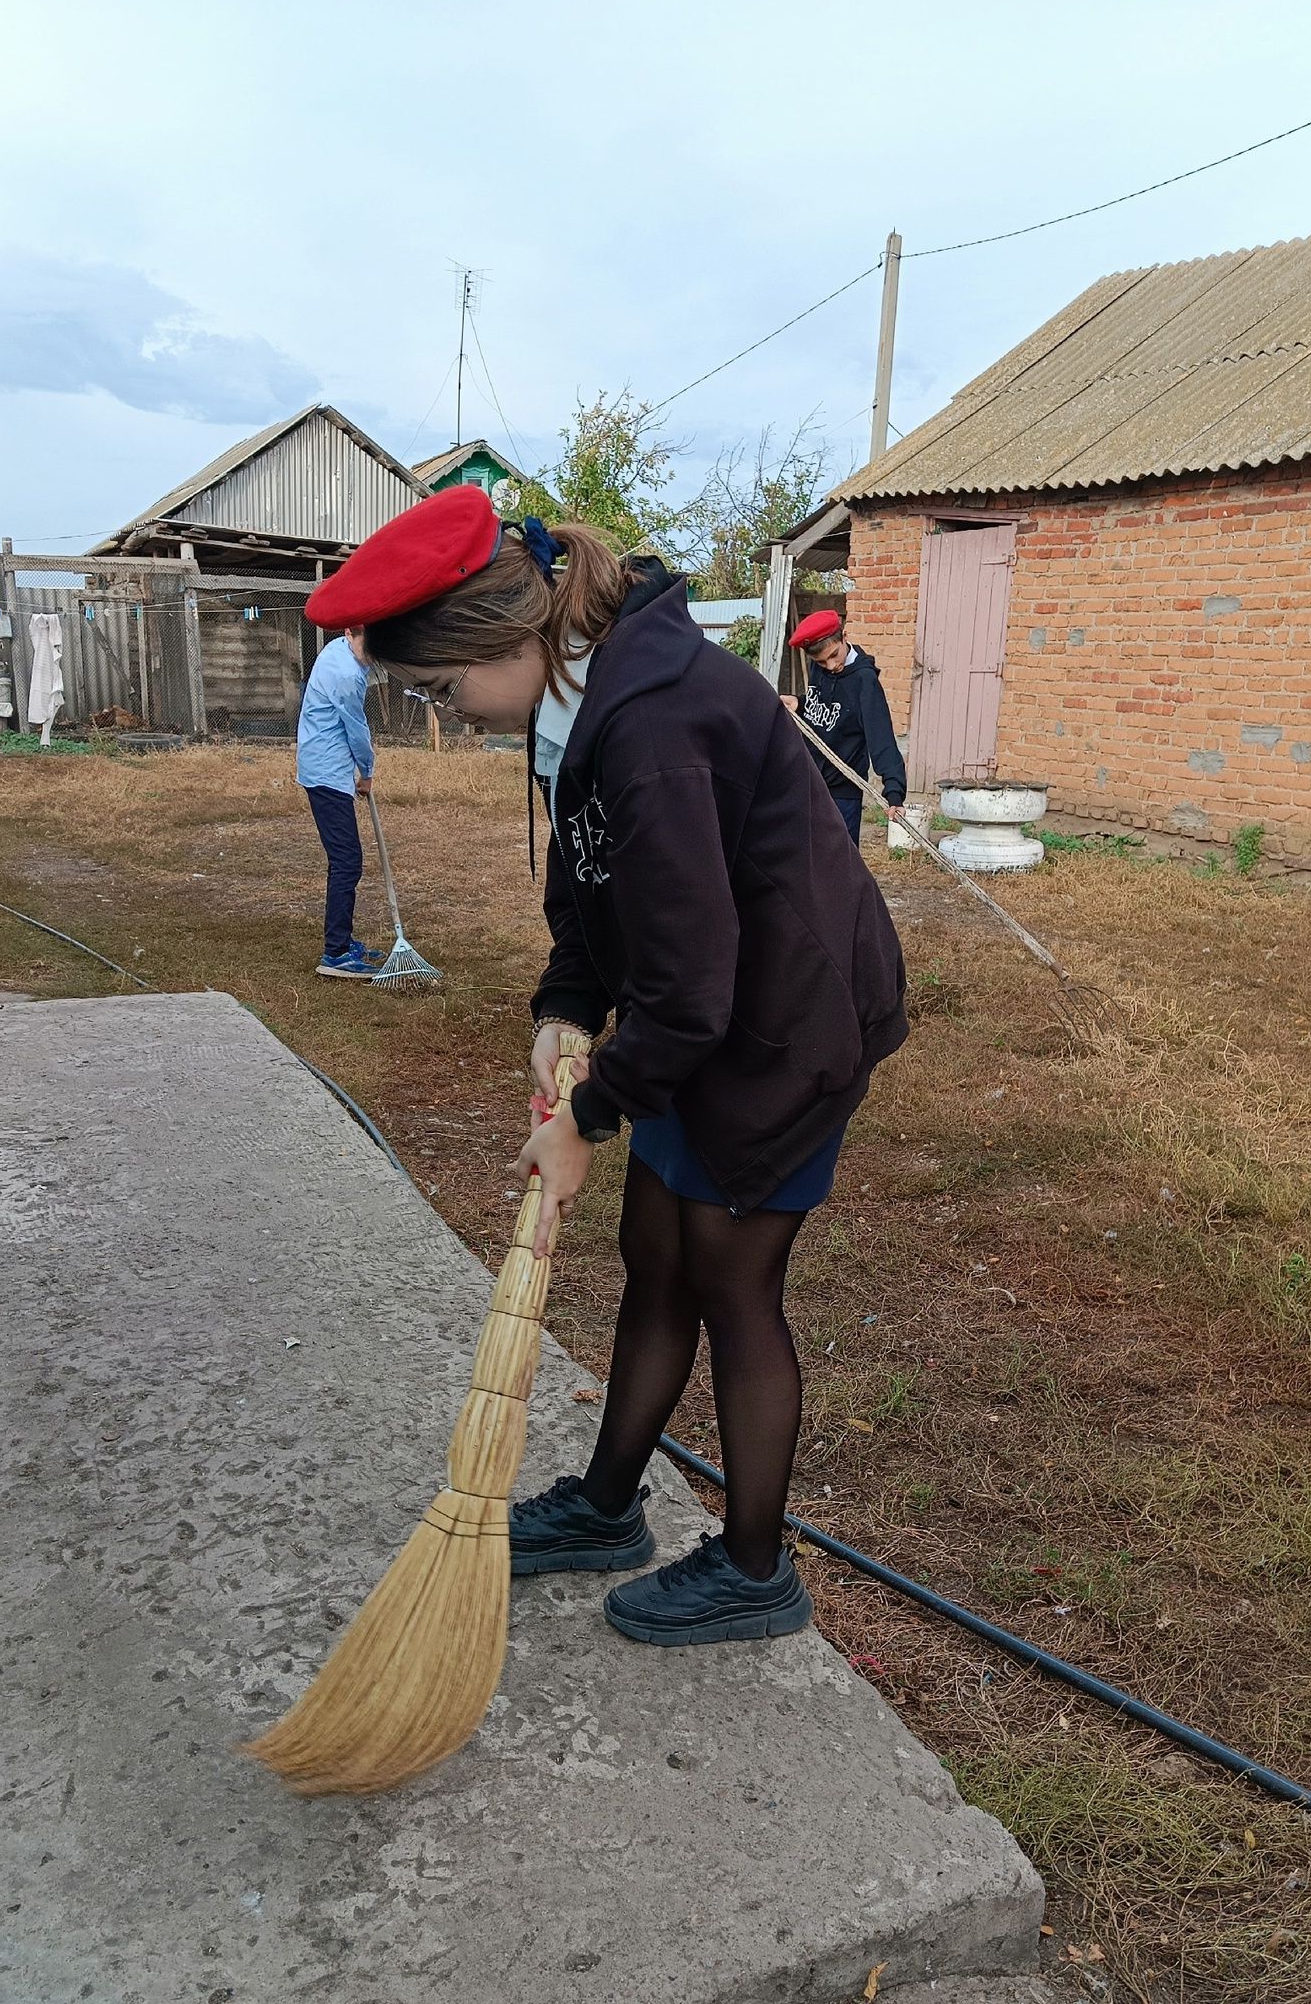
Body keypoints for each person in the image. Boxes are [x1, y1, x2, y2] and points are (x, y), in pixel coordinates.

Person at [305, 487, 908, 1647]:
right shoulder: (582, 696)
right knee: (656, 1258)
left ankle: (751, 1569)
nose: (453, 715)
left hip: (785, 1030)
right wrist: (567, 1001)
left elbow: (693, 989)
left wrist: (588, 1113)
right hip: (709, 1022)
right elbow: (587, 885)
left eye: (444, 689)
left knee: (732, 1283)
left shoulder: (651, 723)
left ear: (505, 639)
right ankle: (605, 1506)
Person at [296, 624, 381, 978]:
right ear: (354, 635)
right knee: (348, 861)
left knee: (342, 860)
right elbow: (356, 728)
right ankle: (336, 953)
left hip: (322, 764)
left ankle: (342, 939)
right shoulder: (347, 673)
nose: (374, 657)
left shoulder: (339, 650)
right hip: (326, 773)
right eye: (372, 647)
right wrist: (367, 771)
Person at [779, 609, 907, 842]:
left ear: (844, 637)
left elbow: (881, 739)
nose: (830, 665)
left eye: (834, 655)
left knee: (840, 862)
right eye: (820, 662)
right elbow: (825, 709)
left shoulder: (864, 682)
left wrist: (894, 791)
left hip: (842, 792)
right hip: (811, 780)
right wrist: (800, 703)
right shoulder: (821, 667)